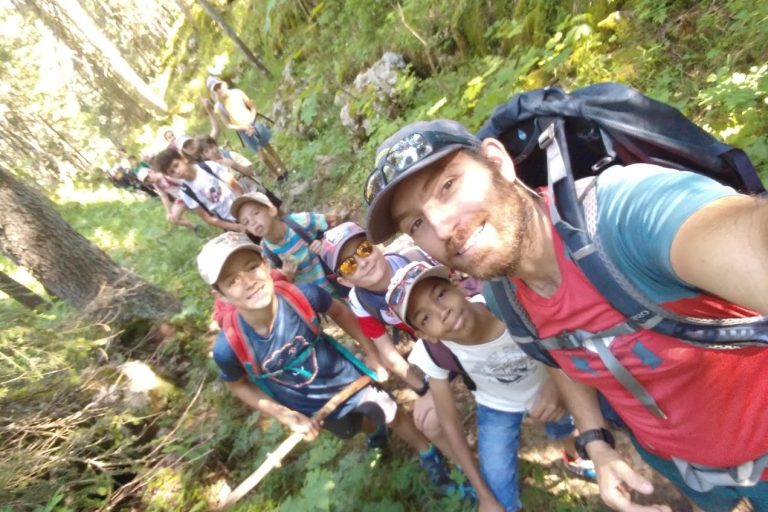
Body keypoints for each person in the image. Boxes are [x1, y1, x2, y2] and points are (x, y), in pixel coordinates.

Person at [364, 119, 768, 512]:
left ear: (497, 162)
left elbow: (743, 240)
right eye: (416, 223)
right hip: (676, 463)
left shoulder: (622, 215)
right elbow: (564, 353)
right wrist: (595, 441)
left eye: (448, 186)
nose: (440, 226)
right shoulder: (505, 296)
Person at [196, 232, 458, 493]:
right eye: (232, 281)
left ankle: (428, 454)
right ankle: (372, 430)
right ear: (221, 295)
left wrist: (370, 352)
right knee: (359, 425)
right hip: (311, 406)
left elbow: (339, 310)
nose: (249, 282)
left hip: (349, 379)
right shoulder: (229, 347)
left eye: (252, 267)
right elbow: (238, 384)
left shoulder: (302, 296)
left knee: (392, 413)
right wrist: (285, 415)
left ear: (266, 264)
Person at [386, 260, 595, 512]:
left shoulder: (508, 305)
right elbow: (449, 423)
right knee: (497, 493)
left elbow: (561, 338)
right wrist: (483, 495)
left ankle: (573, 454)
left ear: (457, 286)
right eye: (426, 317)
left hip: (547, 381)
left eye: (441, 294)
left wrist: (557, 383)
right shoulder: (433, 353)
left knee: (563, 422)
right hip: (497, 404)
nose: (443, 312)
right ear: (424, 335)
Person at [318, 222, 470, 473]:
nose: (362, 262)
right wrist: (423, 390)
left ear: (376, 244)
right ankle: (470, 472)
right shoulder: (360, 301)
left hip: (466, 327)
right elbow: (388, 353)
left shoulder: (415, 255)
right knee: (428, 422)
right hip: (438, 350)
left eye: (364, 249)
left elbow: (464, 290)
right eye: (349, 264)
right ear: (344, 280)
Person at [230, 192, 343, 297]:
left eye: (256, 213)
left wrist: (323, 242)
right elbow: (274, 283)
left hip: (335, 277)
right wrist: (285, 276)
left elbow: (333, 225)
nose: (253, 222)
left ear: (272, 210)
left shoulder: (299, 222)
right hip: (318, 294)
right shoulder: (266, 252)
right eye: (246, 222)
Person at [207, 77, 289, 183]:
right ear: (214, 93)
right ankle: (277, 175)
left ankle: (284, 170)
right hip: (244, 132)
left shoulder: (236, 93)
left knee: (269, 148)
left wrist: (251, 122)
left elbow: (252, 106)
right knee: (262, 156)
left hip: (254, 124)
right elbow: (228, 125)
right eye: (215, 89)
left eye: (219, 86)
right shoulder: (219, 107)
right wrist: (244, 128)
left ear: (223, 84)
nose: (219, 90)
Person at [152, 147, 243, 232]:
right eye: (172, 172)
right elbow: (208, 218)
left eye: (176, 165)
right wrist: (236, 227)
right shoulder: (186, 192)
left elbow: (236, 187)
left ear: (183, 159)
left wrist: (243, 213)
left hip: (243, 209)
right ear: (170, 176)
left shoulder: (209, 167)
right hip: (231, 224)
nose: (177, 172)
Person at [197, 135, 282, 208]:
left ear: (216, 145)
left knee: (274, 207)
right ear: (204, 156)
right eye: (206, 151)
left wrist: (234, 165)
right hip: (241, 199)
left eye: (212, 147)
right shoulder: (211, 170)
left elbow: (250, 172)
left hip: (256, 189)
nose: (211, 152)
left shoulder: (230, 155)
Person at [136, 166, 198, 232]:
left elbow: (185, 183)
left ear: (151, 172)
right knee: (172, 218)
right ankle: (195, 227)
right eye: (146, 181)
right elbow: (164, 197)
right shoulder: (156, 184)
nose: (149, 180)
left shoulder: (166, 176)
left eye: (148, 177)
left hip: (190, 194)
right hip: (181, 199)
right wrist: (168, 212)